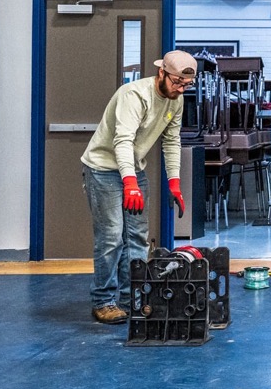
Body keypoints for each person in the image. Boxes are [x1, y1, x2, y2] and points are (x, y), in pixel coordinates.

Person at [80, 50, 194, 325]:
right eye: (177, 82)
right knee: (111, 237)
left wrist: (174, 182)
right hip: (103, 169)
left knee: (137, 238)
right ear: (161, 73)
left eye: (187, 85)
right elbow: (123, 141)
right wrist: (129, 182)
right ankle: (103, 301)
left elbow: (171, 141)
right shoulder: (134, 95)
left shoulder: (176, 100)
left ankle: (132, 297)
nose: (180, 89)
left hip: (133, 169)